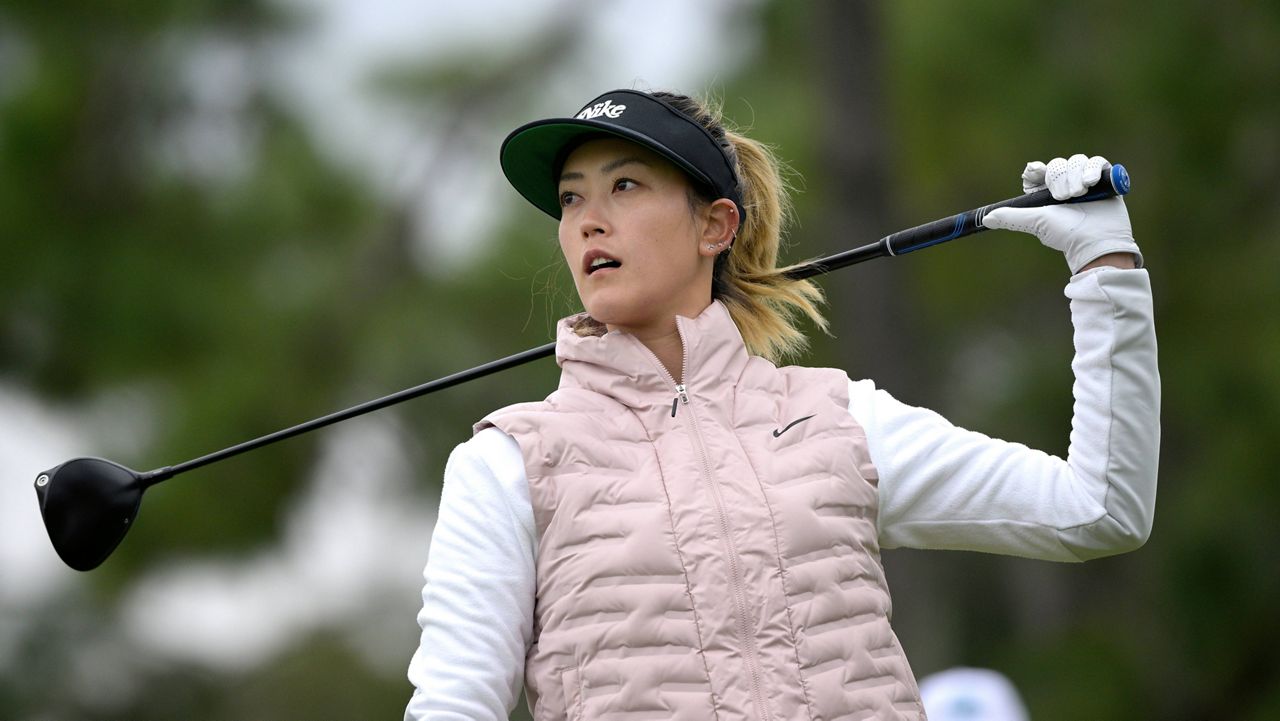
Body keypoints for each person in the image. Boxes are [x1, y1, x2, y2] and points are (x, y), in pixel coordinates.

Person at [404, 88, 1159, 720]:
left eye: (624, 186)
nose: (588, 220)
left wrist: (1105, 267)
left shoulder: (841, 420)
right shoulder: (507, 463)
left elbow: (1099, 508)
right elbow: (452, 707)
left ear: (715, 225)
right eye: (571, 200)